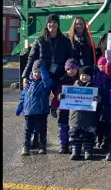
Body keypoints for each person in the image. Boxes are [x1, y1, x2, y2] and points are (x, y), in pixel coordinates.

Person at [21, 14, 73, 146]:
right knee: (38, 107)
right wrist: (25, 76)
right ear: (47, 24)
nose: (52, 25)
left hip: (59, 77)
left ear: (58, 25)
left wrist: (69, 74)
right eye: (50, 23)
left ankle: (66, 138)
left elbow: (70, 59)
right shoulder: (39, 40)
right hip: (41, 79)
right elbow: (31, 59)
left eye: (55, 22)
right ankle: (36, 137)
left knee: (64, 106)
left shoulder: (65, 41)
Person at [15, 60, 53, 156]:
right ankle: (26, 147)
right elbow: (23, 97)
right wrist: (19, 108)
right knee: (28, 130)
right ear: (32, 72)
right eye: (35, 72)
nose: (37, 74)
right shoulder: (28, 84)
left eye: (39, 72)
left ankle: (42, 146)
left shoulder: (44, 84)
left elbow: (47, 83)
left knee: (42, 130)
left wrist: (42, 69)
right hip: (29, 111)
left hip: (41, 111)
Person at [64, 66, 101, 160]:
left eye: (87, 75)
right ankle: (75, 151)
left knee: (88, 135)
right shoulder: (74, 87)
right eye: (82, 75)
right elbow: (67, 99)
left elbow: (100, 99)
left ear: (91, 77)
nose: (84, 77)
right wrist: (62, 97)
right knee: (75, 134)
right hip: (75, 117)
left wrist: (98, 99)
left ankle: (88, 151)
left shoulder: (95, 87)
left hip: (90, 117)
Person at [51, 58, 80, 154]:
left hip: (77, 111)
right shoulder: (62, 81)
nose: (70, 71)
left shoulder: (80, 81)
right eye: (68, 69)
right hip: (64, 109)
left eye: (73, 68)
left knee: (75, 128)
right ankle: (64, 145)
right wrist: (54, 106)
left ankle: (74, 145)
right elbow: (57, 95)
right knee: (63, 127)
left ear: (77, 69)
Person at [93, 57, 111, 149]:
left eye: (104, 64)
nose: (102, 66)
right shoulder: (94, 76)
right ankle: (99, 139)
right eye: (100, 64)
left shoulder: (109, 76)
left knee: (106, 123)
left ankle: (105, 140)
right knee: (98, 123)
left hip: (107, 102)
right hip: (97, 104)